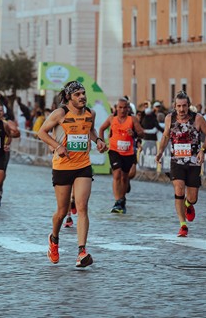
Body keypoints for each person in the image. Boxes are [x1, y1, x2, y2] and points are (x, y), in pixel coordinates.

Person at [37, 81, 107, 268]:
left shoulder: (90, 113)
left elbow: (90, 131)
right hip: (62, 166)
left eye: (83, 93)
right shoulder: (60, 113)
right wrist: (57, 146)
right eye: (77, 94)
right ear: (69, 97)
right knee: (61, 211)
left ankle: (81, 251)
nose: (82, 97)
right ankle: (54, 239)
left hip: (83, 165)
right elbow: (41, 133)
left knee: (82, 206)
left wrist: (98, 140)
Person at [155, 92, 206, 237]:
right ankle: (183, 225)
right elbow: (166, 136)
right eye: (179, 106)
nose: (181, 109)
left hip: (193, 162)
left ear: (189, 105)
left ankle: (188, 205)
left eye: (184, 106)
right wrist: (160, 151)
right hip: (177, 161)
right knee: (179, 190)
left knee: (193, 198)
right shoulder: (170, 118)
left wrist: (202, 150)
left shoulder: (197, 118)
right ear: (175, 106)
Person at [99, 97, 144, 214]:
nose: (122, 110)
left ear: (128, 108)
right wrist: (102, 142)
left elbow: (142, 133)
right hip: (114, 150)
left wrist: (133, 133)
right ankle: (117, 201)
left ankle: (122, 199)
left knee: (125, 177)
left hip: (128, 152)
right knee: (117, 174)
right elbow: (101, 129)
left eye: (125, 108)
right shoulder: (111, 119)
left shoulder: (132, 119)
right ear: (116, 108)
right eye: (120, 107)